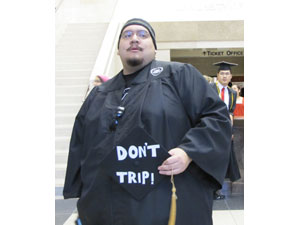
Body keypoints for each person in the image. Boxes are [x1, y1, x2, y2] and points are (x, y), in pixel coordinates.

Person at [63, 18, 232, 225]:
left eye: (143, 35)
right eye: (127, 35)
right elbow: (81, 144)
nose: (134, 39)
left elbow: (216, 116)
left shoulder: (179, 76)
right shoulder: (99, 94)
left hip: (162, 202)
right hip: (105, 206)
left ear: (155, 48)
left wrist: (189, 151)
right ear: (118, 50)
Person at [210, 61, 241, 200]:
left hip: (225, 132)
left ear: (231, 76)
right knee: (212, 160)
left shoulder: (232, 93)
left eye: (227, 73)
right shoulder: (210, 88)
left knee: (222, 160)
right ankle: (211, 189)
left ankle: (217, 189)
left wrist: (231, 131)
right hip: (211, 130)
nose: (224, 76)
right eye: (222, 73)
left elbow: (231, 113)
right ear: (217, 75)